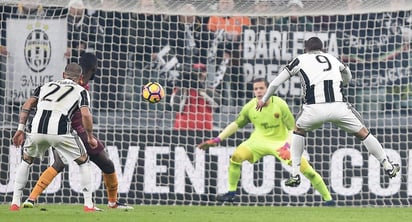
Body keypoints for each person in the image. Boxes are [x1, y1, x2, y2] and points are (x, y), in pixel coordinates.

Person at [256, 37, 401, 188]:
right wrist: (341, 82)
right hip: (339, 108)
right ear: (323, 48)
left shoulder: (299, 60)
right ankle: (387, 165)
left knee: (298, 130)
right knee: (364, 133)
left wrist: (264, 99)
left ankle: (295, 174)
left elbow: (275, 83)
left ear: (306, 49)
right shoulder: (333, 58)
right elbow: (348, 76)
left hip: (313, 110)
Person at [21, 53, 133, 210]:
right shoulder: (80, 86)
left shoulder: (70, 82)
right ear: (94, 69)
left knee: (59, 164)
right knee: (106, 164)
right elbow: (85, 114)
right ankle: (111, 203)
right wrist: (90, 136)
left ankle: (31, 198)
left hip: (57, 128)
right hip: (72, 131)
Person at [198, 78, 335, 206]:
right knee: (236, 157)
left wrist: (287, 145)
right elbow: (237, 124)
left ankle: (328, 200)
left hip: (280, 143)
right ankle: (231, 194)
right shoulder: (250, 107)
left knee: (307, 170)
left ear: (269, 89)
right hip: (258, 141)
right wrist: (217, 139)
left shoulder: (280, 104)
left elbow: (292, 128)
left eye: (261, 88)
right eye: (256, 89)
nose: (258, 91)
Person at [10, 63, 99, 212]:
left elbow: (28, 104)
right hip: (60, 129)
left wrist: (20, 129)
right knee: (83, 161)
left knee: (26, 161)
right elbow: (85, 114)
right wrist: (90, 136)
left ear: (63, 75)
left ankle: (15, 203)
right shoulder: (81, 91)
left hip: (36, 128)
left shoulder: (44, 86)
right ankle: (88, 204)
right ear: (81, 78)